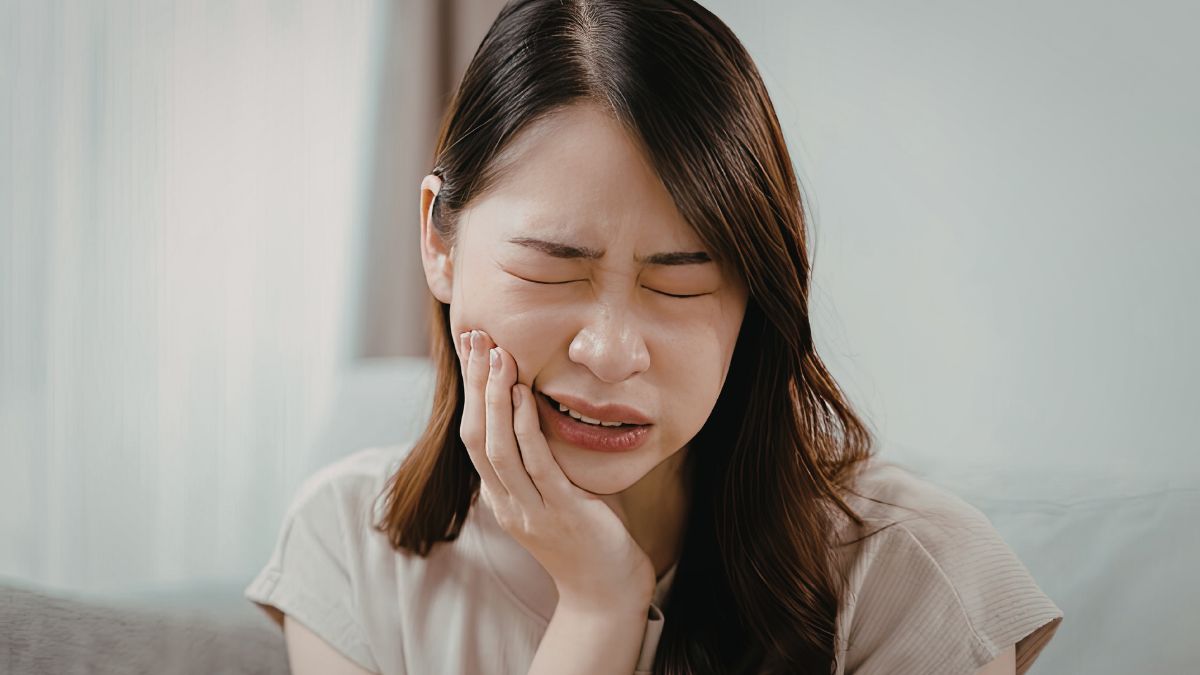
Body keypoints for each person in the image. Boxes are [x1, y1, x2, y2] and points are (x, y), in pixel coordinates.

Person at [244, 1, 1064, 673]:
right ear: (440, 241)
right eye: (555, 269)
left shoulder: (914, 581)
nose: (609, 351)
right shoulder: (350, 545)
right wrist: (599, 606)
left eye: (679, 283)